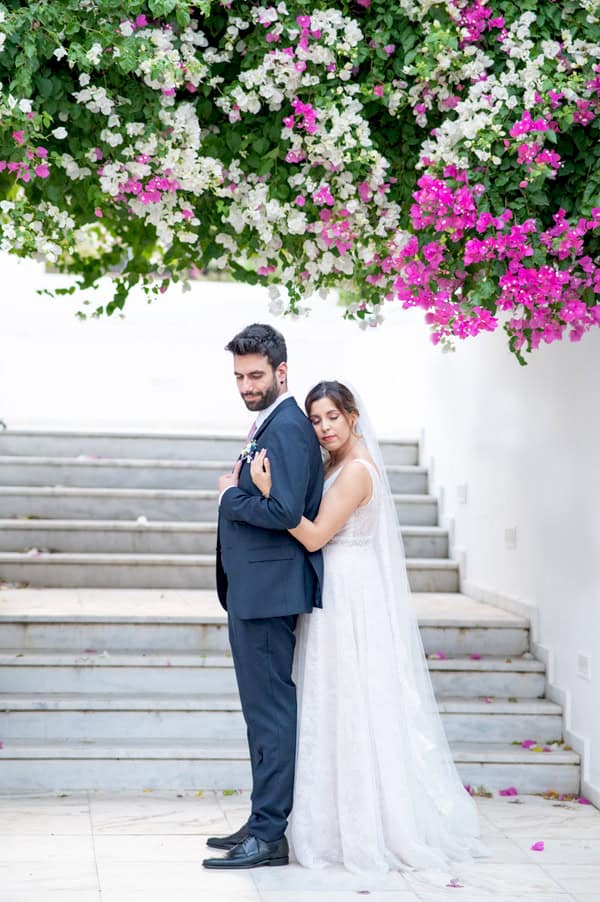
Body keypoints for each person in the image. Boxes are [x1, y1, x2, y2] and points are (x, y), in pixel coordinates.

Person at [248, 380, 487, 873]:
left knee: (352, 701)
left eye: (332, 416)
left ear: (353, 415)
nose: (324, 428)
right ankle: (331, 815)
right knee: (331, 702)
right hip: (334, 592)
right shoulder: (334, 466)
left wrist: (274, 498)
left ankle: (363, 824)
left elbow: (313, 537)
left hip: (349, 595)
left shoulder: (356, 471)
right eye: (315, 420)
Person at [203, 324, 324, 871]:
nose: (246, 385)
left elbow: (284, 512)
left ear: (282, 371)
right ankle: (260, 819)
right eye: (238, 377)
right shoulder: (270, 424)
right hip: (255, 592)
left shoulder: (291, 428)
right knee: (260, 715)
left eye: (255, 375)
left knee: (271, 715)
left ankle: (271, 834)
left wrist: (231, 496)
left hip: (270, 595)